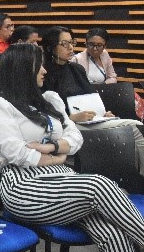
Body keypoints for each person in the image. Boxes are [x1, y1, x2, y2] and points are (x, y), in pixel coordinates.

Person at [0, 43, 144, 252]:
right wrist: (58, 154)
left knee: (113, 232)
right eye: (38, 66)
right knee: (99, 185)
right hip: (24, 185)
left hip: (64, 178)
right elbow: (16, 153)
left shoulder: (50, 100)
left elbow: (76, 138)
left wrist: (51, 149)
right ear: (22, 69)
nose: (45, 71)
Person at [41, 26, 144, 175]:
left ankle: (136, 176)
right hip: (68, 124)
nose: (70, 47)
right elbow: (43, 112)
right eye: (64, 44)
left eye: (72, 42)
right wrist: (72, 117)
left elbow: (91, 95)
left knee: (137, 129)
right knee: (135, 127)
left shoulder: (76, 69)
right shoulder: (43, 73)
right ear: (50, 47)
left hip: (90, 120)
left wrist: (102, 113)